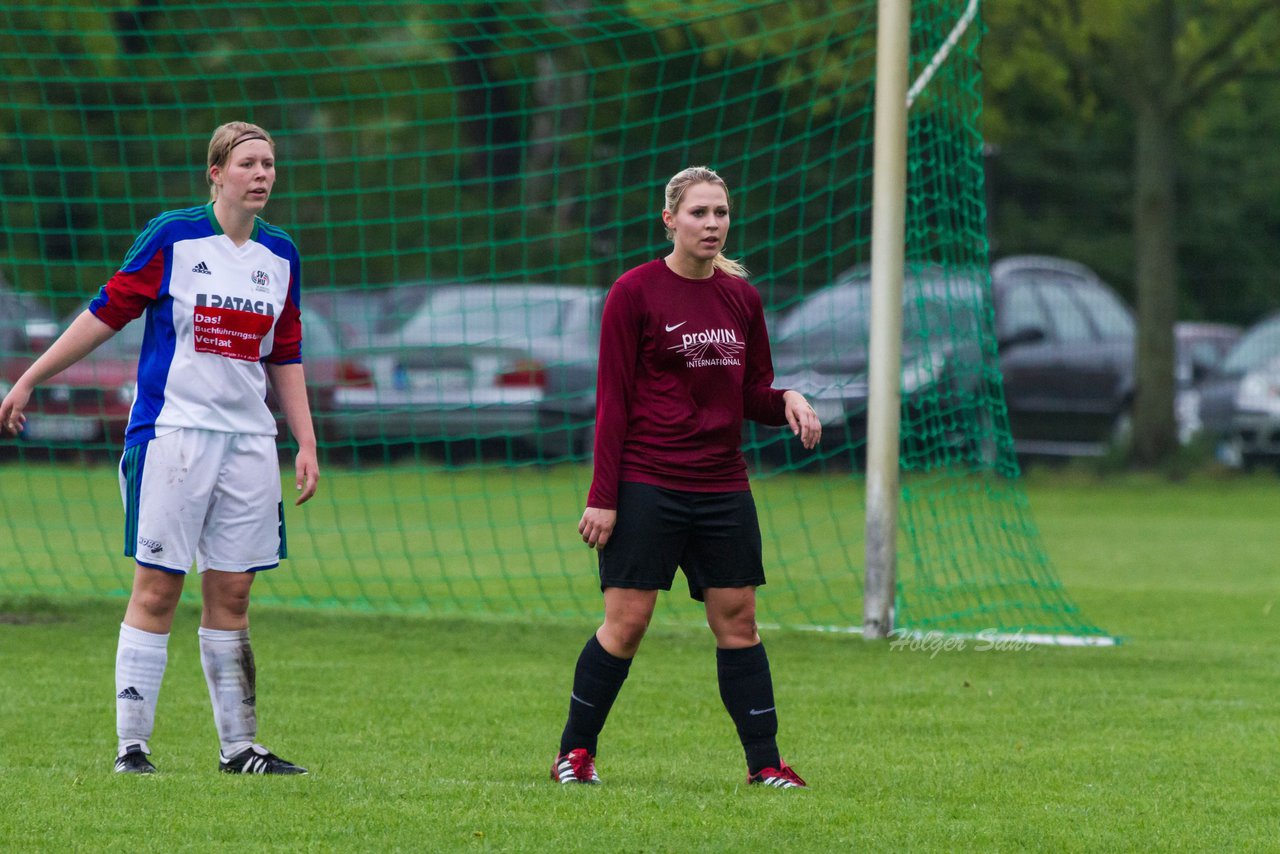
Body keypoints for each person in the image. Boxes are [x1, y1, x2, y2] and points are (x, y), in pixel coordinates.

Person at [0, 121, 319, 775]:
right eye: (249, 163)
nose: (262, 174)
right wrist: (31, 376)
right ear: (216, 173)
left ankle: (240, 750)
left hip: (250, 444)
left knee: (232, 594)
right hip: (172, 437)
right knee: (158, 589)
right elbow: (106, 312)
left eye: (270, 164)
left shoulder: (281, 254)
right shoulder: (173, 237)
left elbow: (285, 352)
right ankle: (132, 748)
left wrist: (305, 442)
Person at [551, 166, 822, 789]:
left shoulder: (742, 298)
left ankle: (765, 765)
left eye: (721, 213)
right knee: (627, 624)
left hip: (723, 484)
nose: (712, 224)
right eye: (699, 213)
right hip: (648, 481)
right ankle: (574, 754)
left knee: (739, 622)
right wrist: (603, 498)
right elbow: (613, 401)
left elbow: (750, 392)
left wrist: (786, 399)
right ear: (669, 219)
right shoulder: (634, 292)